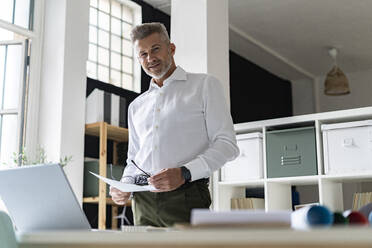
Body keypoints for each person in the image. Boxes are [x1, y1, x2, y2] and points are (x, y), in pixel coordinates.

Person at [110, 22, 239, 227]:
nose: (150, 58)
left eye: (155, 49)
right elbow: (134, 159)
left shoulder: (204, 85)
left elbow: (227, 144)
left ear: (171, 48)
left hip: (186, 197)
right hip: (142, 203)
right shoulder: (136, 106)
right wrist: (124, 185)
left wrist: (185, 173)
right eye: (143, 54)